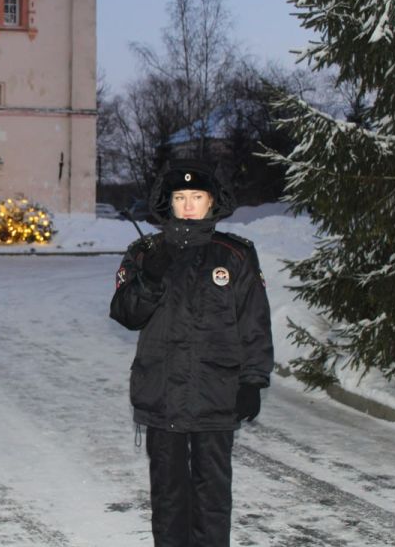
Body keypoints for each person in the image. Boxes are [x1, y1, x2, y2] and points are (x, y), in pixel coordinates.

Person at [110, 158, 273, 547]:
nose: (187, 205)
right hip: (161, 393)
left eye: (196, 196)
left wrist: (252, 380)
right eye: (179, 197)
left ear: (212, 202)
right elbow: (125, 313)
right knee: (168, 495)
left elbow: (254, 322)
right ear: (167, 202)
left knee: (212, 496)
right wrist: (150, 276)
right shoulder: (143, 251)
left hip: (215, 394)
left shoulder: (234, 255)